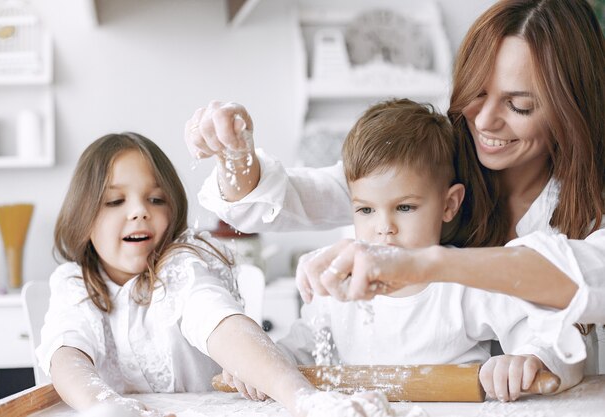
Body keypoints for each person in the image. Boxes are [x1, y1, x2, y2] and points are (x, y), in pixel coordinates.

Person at [185, 0, 605, 374]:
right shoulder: (432, 163)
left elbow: (587, 279)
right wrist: (234, 154)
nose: (484, 121)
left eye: (520, 105)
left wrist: (428, 264)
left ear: (572, 107)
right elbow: (295, 196)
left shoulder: (591, 198)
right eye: (476, 92)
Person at [221, 98, 584, 402]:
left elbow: (549, 335)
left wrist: (529, 359)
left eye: (405, 207)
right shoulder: (339, 289)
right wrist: (258, 367)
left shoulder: (462, 282)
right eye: (365, 209)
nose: (384, 227)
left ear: (449, 204)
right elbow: (298, 350)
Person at [36, 132, 390, 417]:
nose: (140, 212)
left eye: (156, 199)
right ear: (83, 216)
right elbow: (67, 356)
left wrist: (302, 399)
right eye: (115, 202)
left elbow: (221, 323)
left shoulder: (182, 264)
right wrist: (106, 406)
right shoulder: (74, 281)